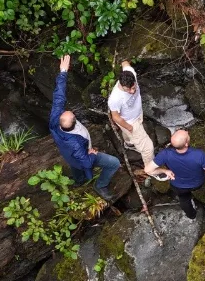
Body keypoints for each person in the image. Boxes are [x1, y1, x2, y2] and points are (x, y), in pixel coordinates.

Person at [48, 55, 120, 201]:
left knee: (75, 165)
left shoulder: (56, 120)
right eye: (73, 115)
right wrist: (92, 153)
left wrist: (63, 72)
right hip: (81, 154)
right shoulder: (75, 142)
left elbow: (58, 97)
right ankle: (100, 185)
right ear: (73, 123)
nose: (72, 112)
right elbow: (86, 161)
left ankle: (79, 181)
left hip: (68, 155)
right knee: (114, 163)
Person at [154, 130, 205, 219]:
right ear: (186, 144)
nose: (187, 131)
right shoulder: (198, 155)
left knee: (184, 200)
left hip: (178, 185)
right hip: (197, 183)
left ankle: (191, 215)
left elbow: (148, 169)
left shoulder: (164, 154)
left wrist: (164, 171)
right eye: (186, 134)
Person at [108, 60, 158, 177]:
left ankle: (129, 144)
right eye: (128, 90)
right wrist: (129, 127)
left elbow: (125, 63)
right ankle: (150, 168)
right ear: (121, 85)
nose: (132, 91)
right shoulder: (115, 98)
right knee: (148, 148)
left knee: (130, 135)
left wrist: (123, 61)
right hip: (129, 122)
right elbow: (115, 116)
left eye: (133, 87)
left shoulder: (130, 73)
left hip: (137, 113)